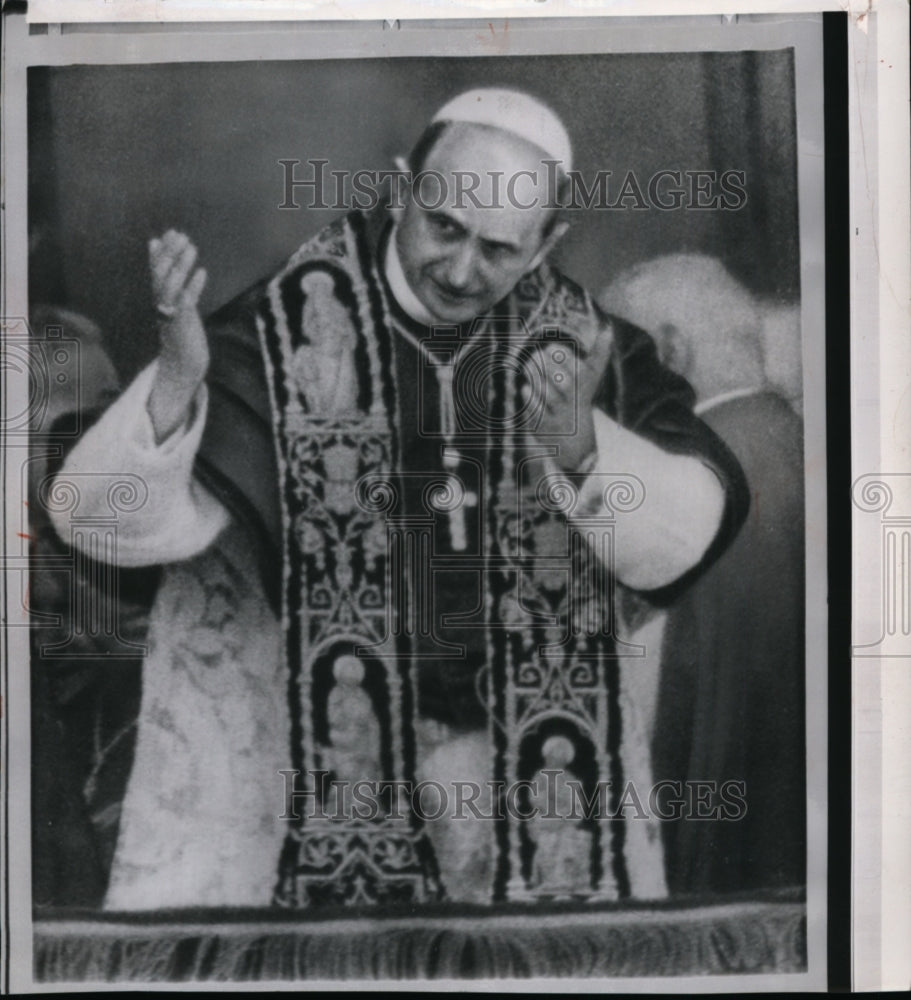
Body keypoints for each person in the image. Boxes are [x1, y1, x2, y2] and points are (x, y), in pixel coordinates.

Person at [49, 90, 749, 909]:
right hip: (310, 778)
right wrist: (175, 381)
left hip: (513, 794)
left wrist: (582, 451)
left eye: (497, 249)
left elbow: (691, 525)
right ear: (399, 189)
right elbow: (97, 518)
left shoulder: (592, 347)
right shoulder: (286, 328)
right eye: (443, 227)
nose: (459, 271)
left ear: (547, 242)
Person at [601, 253, 806, 894]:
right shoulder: (819, 452)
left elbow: (634, 706)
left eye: (617, 367)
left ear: (668, 350)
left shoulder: (685, 491)